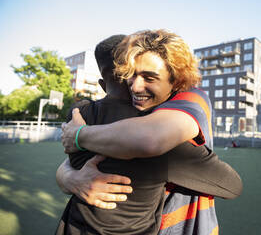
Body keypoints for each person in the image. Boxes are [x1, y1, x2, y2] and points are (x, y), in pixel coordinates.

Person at [57, 33, 242, 234]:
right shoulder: (151, 134)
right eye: (131, 74)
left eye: (149, 77)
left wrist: (78, 139)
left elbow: (150, 139)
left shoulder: (78, 114)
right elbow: (231, 185)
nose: (136, 86)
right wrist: (68, 177)